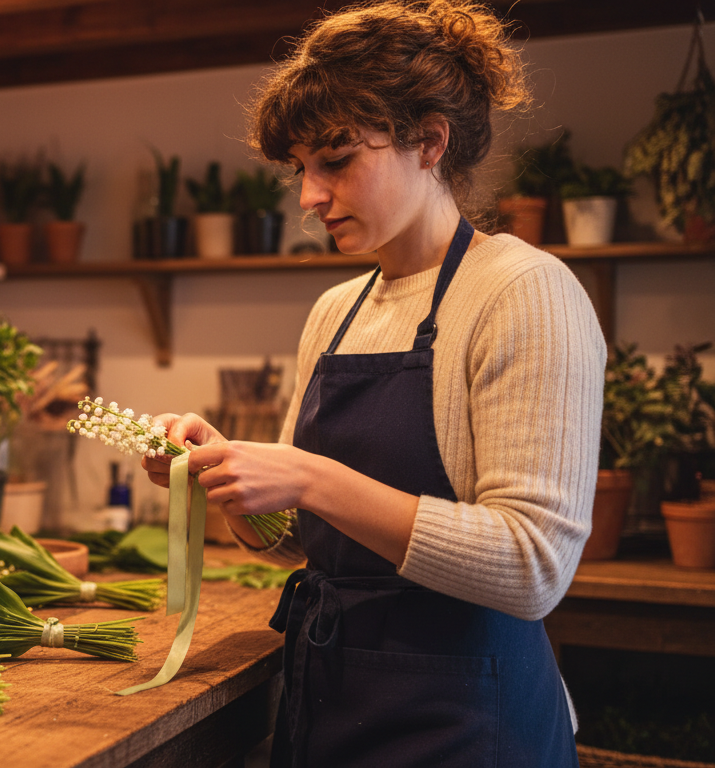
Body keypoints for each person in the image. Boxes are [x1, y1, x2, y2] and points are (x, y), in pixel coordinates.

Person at [141, 1, 605, 765]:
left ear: (430, 142)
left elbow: (533, 567)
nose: (308, 197)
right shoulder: (337, 311)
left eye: (336, 158)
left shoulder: (524, 290)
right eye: (300, 168)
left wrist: (311, 477)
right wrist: (219, 476)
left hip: (468, 721)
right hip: (332, 700)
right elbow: (301, 542)